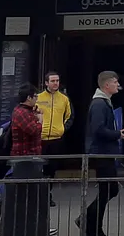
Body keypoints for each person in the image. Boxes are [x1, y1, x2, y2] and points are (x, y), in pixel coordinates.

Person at [0, 83, 50, 236]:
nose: (37, 99)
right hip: (23, 157)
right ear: (28, 98)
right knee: (21, 192)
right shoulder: (20, 112)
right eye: (35, 97)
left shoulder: (26, 111)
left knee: (28, 192)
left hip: (32, 156)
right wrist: (39, 120)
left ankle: (33, 225)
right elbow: (32, 130)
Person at [81, 71, 124, 236]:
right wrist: (117, 134)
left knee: (108, 190)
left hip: (104, 152)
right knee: (109, 189)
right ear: (106, 85)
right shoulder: (100, 104)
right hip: (101, 153)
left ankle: (92, 225)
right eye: (115, 82)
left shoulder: (104, 102)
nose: (117, 85)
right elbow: (98, 129)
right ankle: (87, 221)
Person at [38, 72, 73, 204]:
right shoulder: (39, 98)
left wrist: (63, 129)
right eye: (52, 81)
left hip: (56, 139)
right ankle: (39, 194)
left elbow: (69, 116)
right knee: (39, 168)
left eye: (57, 81)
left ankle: (47, 194)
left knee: (52, 169)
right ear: (46, 83)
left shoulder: (64, 99)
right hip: (40, 139)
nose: (55, 83)